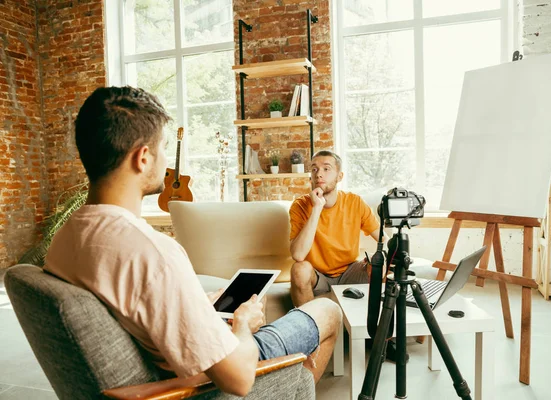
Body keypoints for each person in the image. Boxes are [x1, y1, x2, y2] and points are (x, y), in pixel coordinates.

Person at [43, 86, 341, 397]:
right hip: (209, 379)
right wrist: (243, 324)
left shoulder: (66, 237)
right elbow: (238, 378)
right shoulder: (154, 253)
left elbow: (139, 301)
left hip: (176, 357)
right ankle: (289, 388)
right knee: (326, 311)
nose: (166, 162)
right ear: (143, 158)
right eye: (163, 148)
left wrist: (199, 305)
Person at [289, 150, 384, 307]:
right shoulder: (300, 206)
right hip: (317, 275)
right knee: (299, 269)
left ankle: (380, 328)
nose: (319, 174)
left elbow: (384, 240)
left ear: (340, 176)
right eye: (314, 169)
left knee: (380, 266)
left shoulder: (355, 202)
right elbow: (298, 255)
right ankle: (309, 327)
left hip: (350, 270)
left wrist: (381, 258)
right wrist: (317, 208)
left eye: (326, 169)